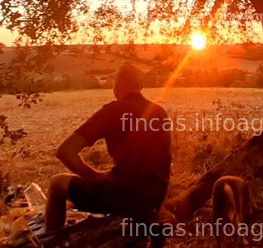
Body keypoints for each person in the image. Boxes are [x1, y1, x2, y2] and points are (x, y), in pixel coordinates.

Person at [43, 63, 171, 233]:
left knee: (56, 183)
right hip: (153, 198)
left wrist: (93, 176)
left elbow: (65, 151)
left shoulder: (112, 111)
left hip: (123, 197)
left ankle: (51, 245)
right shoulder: (159, 112)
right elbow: (166, 161)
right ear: (140, 86)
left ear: (116, 86)